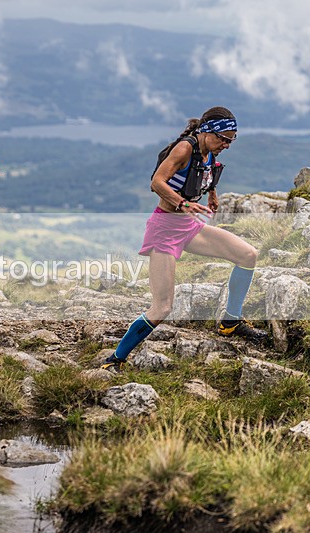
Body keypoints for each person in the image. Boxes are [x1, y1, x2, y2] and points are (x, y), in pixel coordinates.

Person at [102, 106, 267, 372]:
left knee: (248, 255)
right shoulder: (184, 149)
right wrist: (183, 203)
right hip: (165, 229)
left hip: (188, 226)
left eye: (231, 140)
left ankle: (231, 323)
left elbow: (207, 173)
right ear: (206, 131)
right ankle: (115, 360)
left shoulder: (209, 151)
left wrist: (212, 193)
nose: (226, 144)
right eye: (222, 138)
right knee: (163, 307)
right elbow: (157, 182)